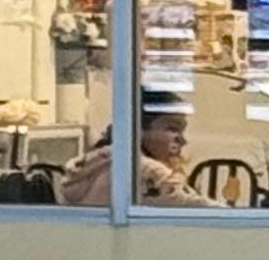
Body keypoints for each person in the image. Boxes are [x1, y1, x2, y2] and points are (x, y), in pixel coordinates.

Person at [58, 86, 193, 205]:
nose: (183, 140)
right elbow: (202, 212)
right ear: (138, 129)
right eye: (173, 129)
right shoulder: (149, 172)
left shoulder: (93, 166)